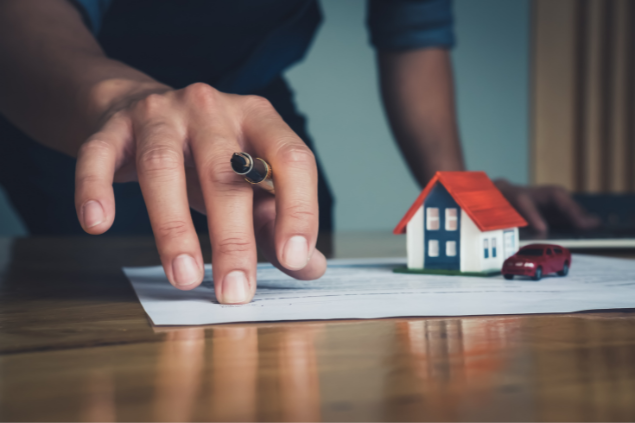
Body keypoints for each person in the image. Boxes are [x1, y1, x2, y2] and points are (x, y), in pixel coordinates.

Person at [0, 0, 598, 304]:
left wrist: (464, 189)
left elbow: (414, 35)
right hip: (83, 103)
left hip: (256, 104)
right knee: (104, 282)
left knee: (294, 255)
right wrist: (122, 99)